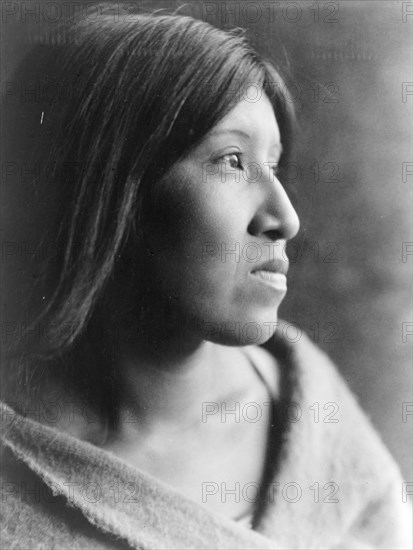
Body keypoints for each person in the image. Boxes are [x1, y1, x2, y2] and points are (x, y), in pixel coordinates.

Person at [1, 7, 411, 550]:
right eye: (232, 160)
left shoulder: (310, 409)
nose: (285, 218)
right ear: (108, 195)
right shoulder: (19, 487)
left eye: (275, 163)